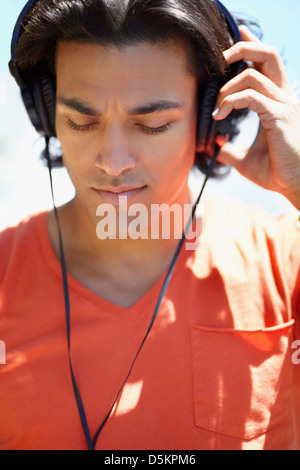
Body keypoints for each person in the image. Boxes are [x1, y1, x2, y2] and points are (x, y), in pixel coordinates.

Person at [0, 0, 299, 451]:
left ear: (210, 118)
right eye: (81, 122)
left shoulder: (284, 261)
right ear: (46, 116)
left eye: (154, 125)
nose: (113, 162)